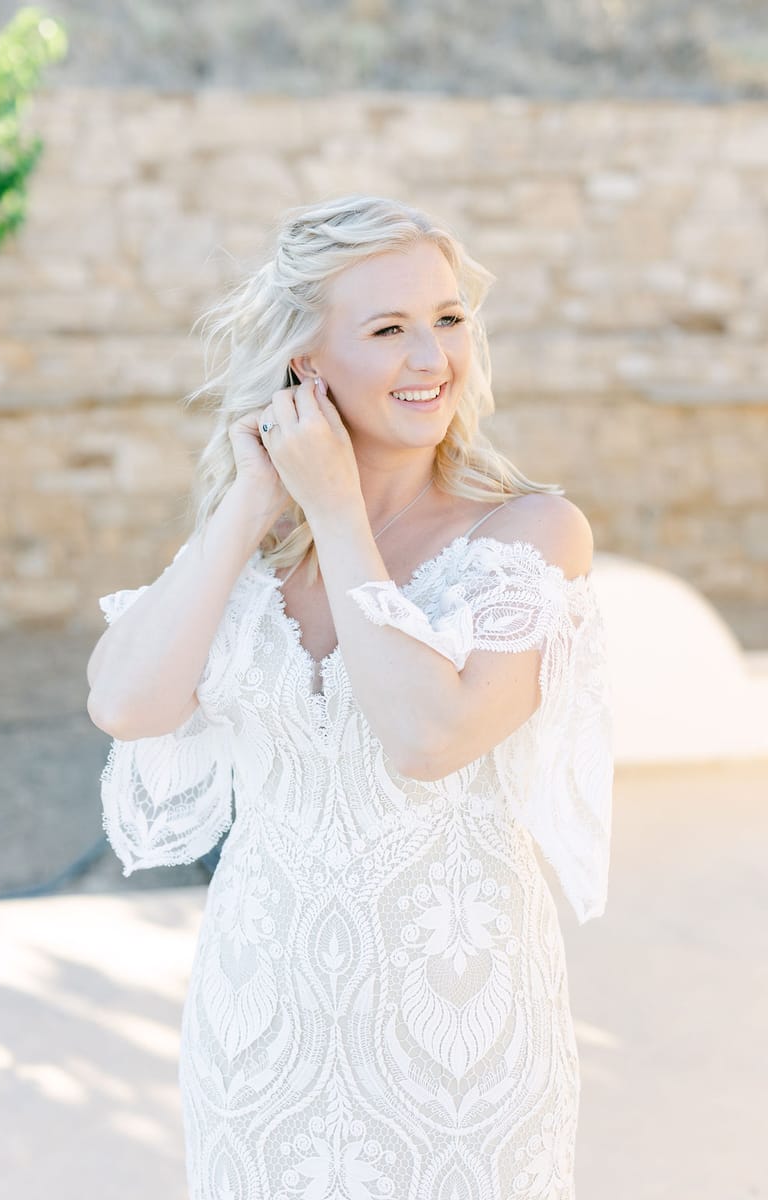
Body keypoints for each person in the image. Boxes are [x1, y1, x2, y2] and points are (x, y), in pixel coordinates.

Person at [86, 194, 614, 1199]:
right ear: (306, 364)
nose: (433, 358)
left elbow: (427, 735)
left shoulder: (531, 536)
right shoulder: (253, 556)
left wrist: (335, 508)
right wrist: (250, 503)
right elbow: (126, 703)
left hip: (458, 1044)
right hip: (260, 1029)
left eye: (448, 318)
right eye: (387, 329)